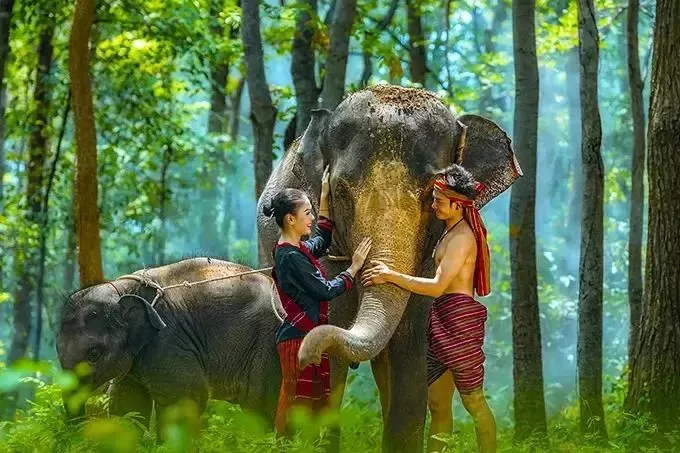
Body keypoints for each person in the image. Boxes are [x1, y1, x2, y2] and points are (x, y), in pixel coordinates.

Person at [361, 164, 496, 453]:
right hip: (441, 318)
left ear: (458, 205)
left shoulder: (462, 239)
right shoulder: (448, 232)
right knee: (436, 403)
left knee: (473, 402)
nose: (433, 205)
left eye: (438, 200)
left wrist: (390, 276)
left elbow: (437, 286)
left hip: (459, 320)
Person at [264, 166, 372, 437]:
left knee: (310, 405)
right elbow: (324, 290)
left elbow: (321, 241)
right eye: (307, 213)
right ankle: (284, 445)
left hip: (309, 336)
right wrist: (354, 268)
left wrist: (324, 197)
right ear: (290, 219)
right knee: (295, 401)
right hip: (297, 339)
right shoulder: (291, 257)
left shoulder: (297, 249)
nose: (311, 218)